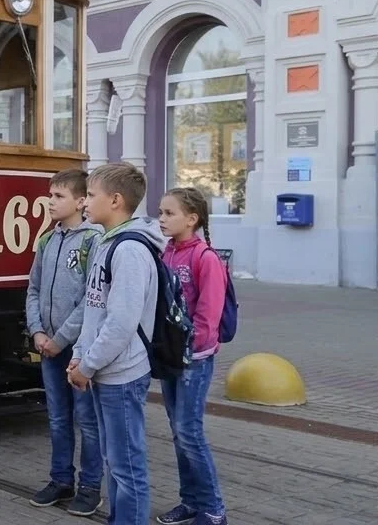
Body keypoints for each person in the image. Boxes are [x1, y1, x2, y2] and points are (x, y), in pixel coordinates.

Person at [68, 161, 164, 525]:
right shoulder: (107, 243)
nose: (85, 202)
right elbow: (94, 311)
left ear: (116, 200)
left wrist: (88, 365)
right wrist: (80, 356)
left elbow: (121, 322)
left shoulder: (129, 250)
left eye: (91, 195)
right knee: (115, 461)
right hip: (103, 369)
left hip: (121, 373)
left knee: (127, 466)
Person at [25, 169, 104, 517]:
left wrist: (60, 339)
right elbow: (33, 289)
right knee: (57, 418)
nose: (50, 202)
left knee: (86, 420)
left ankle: (90, 487)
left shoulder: (93, 241)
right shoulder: (47, 240)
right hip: (48, 346)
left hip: (77, 349)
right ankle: (60, 480)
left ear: (81, 200)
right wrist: (37, 331)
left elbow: (92, 299)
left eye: (58, 196)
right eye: (50, 195)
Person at [156, 187, 229, 525]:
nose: (162, 218)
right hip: (171, 356)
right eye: (161, 212)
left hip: (195, 359)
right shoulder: (166, 253)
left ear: (192, 218)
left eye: (169, 213)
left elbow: (208, 315)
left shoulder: (206, 258)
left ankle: (214, 509)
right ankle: (190, 501)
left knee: (190, 431)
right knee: (178, 431)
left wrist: (191, 351)